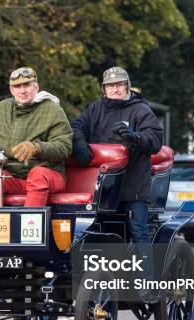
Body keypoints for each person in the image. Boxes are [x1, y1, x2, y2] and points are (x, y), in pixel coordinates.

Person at [71, 66, 163, 301]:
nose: (116, 89)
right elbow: (77, 125)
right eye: (111, 85)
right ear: (104, 89)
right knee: (82, 229)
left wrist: (136, 137)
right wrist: (79, 143)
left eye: (120, 84)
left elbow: (155, 140)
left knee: (139, 231)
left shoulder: (141, 110)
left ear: (127, 86)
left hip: (132, 185)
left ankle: (147, 285)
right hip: (101, 187)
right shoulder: (96, 108)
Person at [0, 67, 72, 207]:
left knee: (38, 175)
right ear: (11, 90)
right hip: (10, 176)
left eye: (27, 85)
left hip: (48, 174)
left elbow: (65, 148)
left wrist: (37, 148)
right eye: (17, 86)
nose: (22, 91)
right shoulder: (0, 109)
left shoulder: (53, 110)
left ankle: (30, 226)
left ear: (36, 86)